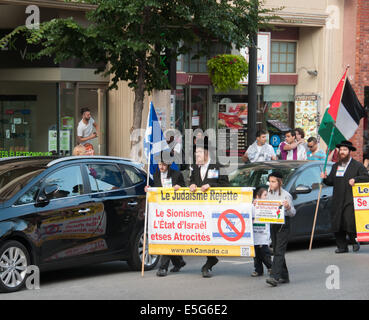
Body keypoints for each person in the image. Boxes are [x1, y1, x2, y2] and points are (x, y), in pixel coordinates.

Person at [189, 138, 229, 278]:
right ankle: (210, 259)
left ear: (206, 153)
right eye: (195, 153)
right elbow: (191, 180)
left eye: (199, 152)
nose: (196, 155)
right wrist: (192, 185)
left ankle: (209, 262)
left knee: (211, 235)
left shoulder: (218, 166)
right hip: (199, 209)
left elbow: (225, 185)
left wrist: (211, 186)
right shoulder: (195, 167)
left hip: (214, 209)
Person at [320, 140, 369, 253]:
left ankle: (354, 240)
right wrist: (324, 178)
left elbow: (366, 177)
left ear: (349, 151)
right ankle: (342, 246)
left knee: (349, 221)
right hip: (337, 199)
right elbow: (330, 181)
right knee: (338, 223)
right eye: (341, 150)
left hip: (350, 199)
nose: (342, 152)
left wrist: (355, 179)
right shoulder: (336, 166)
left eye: (344, 150)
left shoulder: (357, 166)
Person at [144, 151, 186, 277]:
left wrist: (180, 188)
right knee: (166, 237)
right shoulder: (156, 174)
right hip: (161, 212)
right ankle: (178, 262)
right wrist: (148, 189)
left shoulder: (177, 174)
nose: (160, 167)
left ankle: (163, 267)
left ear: (168, 164)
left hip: (174, 211)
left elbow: (186, 190)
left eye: (163, 164)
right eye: (159, 164)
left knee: (168, 237)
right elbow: (155, 189)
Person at [265, 171, 296, 287]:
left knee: (279, 251)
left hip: (284, 224)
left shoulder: (286, 195)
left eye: (273, 182)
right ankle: (284, 276)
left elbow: (293, 213)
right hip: (273, 223)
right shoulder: (268, 193)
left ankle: (274, 276)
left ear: (280, 182)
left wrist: (288, 207)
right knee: (277, 249)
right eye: (270, 181)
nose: (271, 184)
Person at [251, 187, 272, 277]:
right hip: (255, 234)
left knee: (264, 252)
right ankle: (258, 270)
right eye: (264, 195)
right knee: (256, 254)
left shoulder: (268, 206)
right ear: (257, 196)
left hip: (263, 233)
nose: (266, 197)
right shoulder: (252, 206)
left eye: (267, 195)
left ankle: (271, 267)